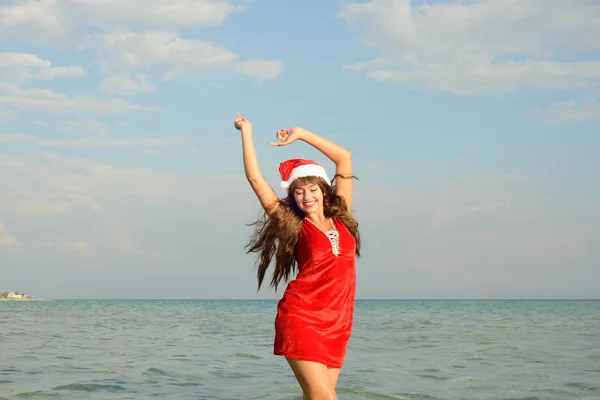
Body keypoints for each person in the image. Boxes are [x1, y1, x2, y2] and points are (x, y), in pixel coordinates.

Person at [234, 114, 361, 400]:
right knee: (325, 398)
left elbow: (344, 158)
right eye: (299, 191)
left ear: (323, 190)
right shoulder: (293, 224)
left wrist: (301, 134)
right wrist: (246, 131)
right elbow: (255, 179)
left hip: (338, 320)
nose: (307, 196)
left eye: (313, 189)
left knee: (316, 396)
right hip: (303, 317)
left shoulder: (342, 216)